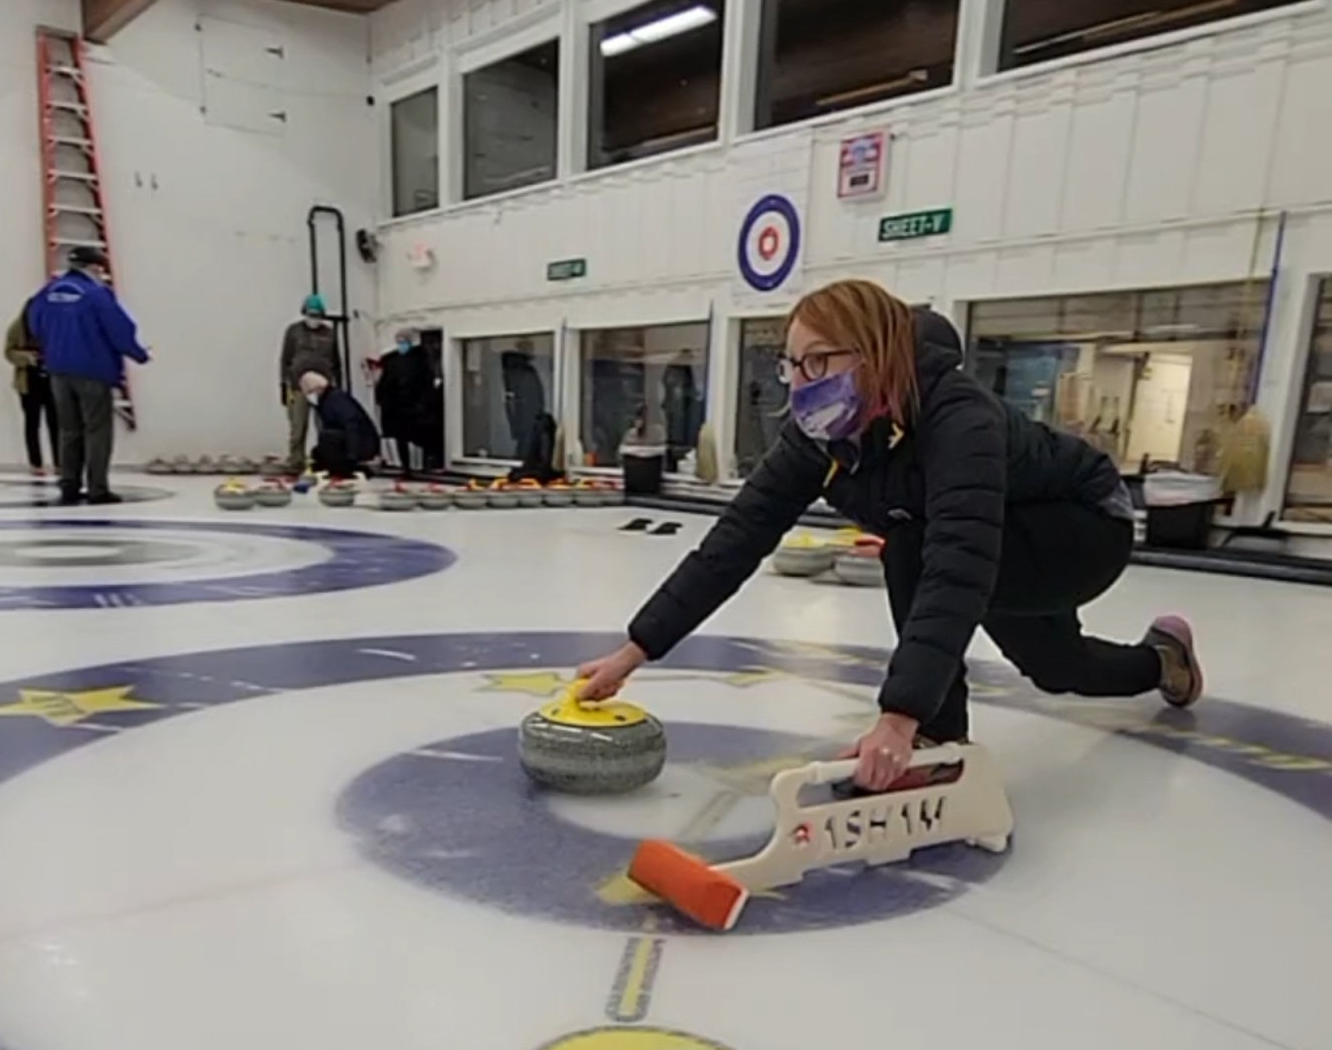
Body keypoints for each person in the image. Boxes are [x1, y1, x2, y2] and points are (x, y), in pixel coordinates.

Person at [577, 277, 1202, 793]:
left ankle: (938, 744)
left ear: (874, 356)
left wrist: (902, 719)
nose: (800, 381)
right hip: (1005, 540)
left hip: (1086, 527)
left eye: (819, 360)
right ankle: (1164, 660)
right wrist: (636, 648)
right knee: (1057, 668)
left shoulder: (958, 419)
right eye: (792, 363)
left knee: (913, 546)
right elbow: (736, 539)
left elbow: (958, 562)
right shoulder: (817, 437)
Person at [26, 246, 149, 506]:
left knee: (68, 430)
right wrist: (139, 354)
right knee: (97, 430)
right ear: (94, 267)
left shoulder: (47, 293)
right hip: (93, 370)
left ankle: (69, 485)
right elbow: (119, 330)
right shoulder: (97, 295)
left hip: (58, 370)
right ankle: (97, 488)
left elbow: (34, 323)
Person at [281, 296, 341, 472]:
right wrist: (283, 385)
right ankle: (296, 463)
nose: (314, 318)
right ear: (304, 313)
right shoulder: (293, 331)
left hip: (323, 388)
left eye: (317, 315)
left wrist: (336, 386)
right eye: (311, 314)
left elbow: (336, 360)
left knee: (325, 427)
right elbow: (285, 359)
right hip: (297, 386)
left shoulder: (329, 333)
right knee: (298, 427)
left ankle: (325, 461)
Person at [3, 307, 58, 477]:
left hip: (52, 380)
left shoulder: (54, 325)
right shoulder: (16, 327)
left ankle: (60, 462)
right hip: (28, 381)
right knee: (32, 423)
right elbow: (8, 352)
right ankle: (36, 463)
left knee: (56, 422)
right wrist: (27, 358)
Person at [375, 329, 435, 476]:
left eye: (404, 342)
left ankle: (426, 464)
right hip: (397, 406)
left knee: (422, 435)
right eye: (399, 342)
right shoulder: (392, 361)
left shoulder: (420, 360)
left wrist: (423, 402)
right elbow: (385, 383)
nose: (401, 345)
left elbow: (427, 382)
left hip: (415, 405)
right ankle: (406, 467)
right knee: (400, 437)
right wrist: (382, 399)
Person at [300, 371, 381, 479]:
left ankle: (347, 469)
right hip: (354, 441)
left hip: (361, 443)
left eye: (309, 392)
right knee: (319, 451)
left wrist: (352, 455)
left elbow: (352, 425)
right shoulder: (328, 400)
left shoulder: (335, 400)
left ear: (318, 388)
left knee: (327, 438)